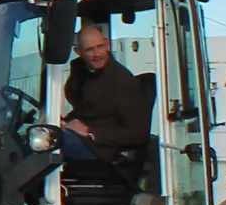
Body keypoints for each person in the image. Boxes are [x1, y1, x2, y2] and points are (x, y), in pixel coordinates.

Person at [56, 21, 155, 185]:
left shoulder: (122, 82)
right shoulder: (81, 74)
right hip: (83, 137)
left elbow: (138, 133)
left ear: (107, 44)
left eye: (100, 47)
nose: (97, 54)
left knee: (50, 144)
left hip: (105, 149)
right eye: (90, 50)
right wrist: (66, 122)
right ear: (78, 52)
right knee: (38, 137)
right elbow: (86, 109)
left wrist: (89, 132)